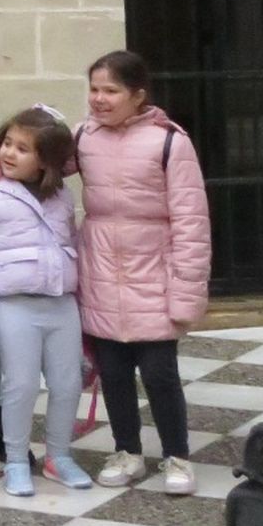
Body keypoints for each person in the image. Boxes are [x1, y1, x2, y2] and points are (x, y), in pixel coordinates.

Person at [77, 51, 211, 496]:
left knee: (159, 374)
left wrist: (187, 295)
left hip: (154, 276)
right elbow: (31, 158)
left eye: (110, 90)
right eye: (94, 89)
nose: (99, 99)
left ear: (138, 95)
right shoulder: (82, 137)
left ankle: (176, 455)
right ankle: (127, 450)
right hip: (100, 274)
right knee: (113, 373)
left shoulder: (170, 142)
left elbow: (192, 223)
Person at [0, 110, 87, 498]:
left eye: (22, 148)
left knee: (67, 382)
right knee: (21, 383)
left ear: (46, 160)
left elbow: (72, 244)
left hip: (60, 302)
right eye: (7, 144)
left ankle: (59, 456)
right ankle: (15, 460)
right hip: (11, 304)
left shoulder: (63, 196)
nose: (9, 153)